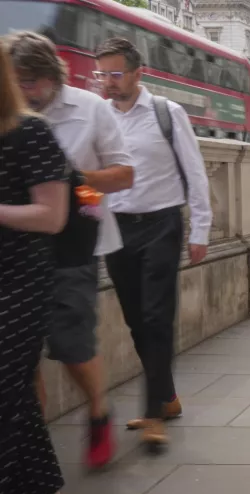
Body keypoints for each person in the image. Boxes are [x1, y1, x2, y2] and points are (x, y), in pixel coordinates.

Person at [8, 31, 134, 469]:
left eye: (29, 82)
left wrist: (71, 178)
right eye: (15, 81)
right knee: (22, 354)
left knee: (70, 343)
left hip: (74, 246)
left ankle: (98, 409)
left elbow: (124, 174)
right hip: (17, 248)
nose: (24, 92)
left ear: (50, 76)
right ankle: (34, 449)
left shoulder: (90, 108)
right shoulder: (9, 114)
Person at [96, 37, 213, 448]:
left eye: (114, 73)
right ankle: (167, 396)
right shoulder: (100, 117)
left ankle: (152, 414)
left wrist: (201, 230)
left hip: (162, 223)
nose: (107, 82)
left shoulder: (167, 113)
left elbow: (195, 173)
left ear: (136, 73)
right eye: (102, 74)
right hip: (116, 229)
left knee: (156, 317)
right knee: (134, 320)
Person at [0, 43, 73, 494]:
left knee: (8, 390)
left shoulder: (31, 132)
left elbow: (52, 216)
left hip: (18, 283)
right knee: (14, 394)